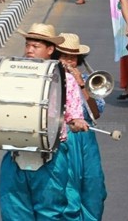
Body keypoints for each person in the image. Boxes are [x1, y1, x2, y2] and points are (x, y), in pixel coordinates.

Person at [0, 23, 88, 220]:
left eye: (35, 46)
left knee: (50, 212)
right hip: (16, 152)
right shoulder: (12, 72)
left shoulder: (65, 79)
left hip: (51, 156)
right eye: (28, 45)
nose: (29, 49)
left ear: (50, 50)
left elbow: (73, 116)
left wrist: (77, 122)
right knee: (13, 213)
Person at [55, 33, 107, 221]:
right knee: (68, 188)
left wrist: (81, 85)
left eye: (73, 56)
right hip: (63, 138)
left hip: (86, 138)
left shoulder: (85, 78)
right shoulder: (51, 80)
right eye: (64, 55)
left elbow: (96, 112)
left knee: (94, 186)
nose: (69, 60)